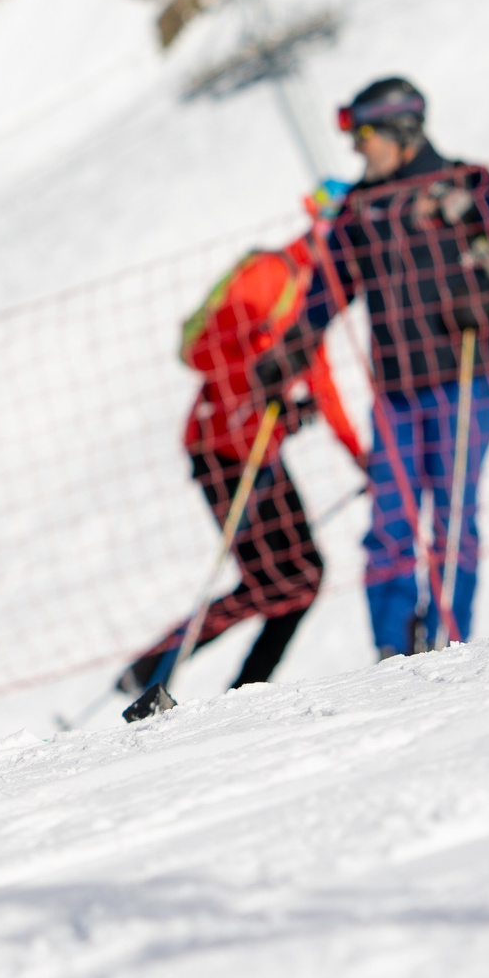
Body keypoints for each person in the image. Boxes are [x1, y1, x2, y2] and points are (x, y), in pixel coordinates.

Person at [254, 79, 489, 656]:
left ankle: (446, 640)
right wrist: (290, 354)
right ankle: (393, 652)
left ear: (402, 130)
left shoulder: (467, 184)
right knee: (390, 525)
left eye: (365, 134)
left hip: (466, 378)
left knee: (451, 514)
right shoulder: (361, 208)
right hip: (395, 389)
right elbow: (328, 291)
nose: (358, 149)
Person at [119, 185, 369, 701]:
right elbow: (206, 352)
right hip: (218, 449)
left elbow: (322, 384)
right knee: (272, 582)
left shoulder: (313, 299)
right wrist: (260, 388)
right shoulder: (272, 276)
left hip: (259, 450)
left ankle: (238, 693)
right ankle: (155, 672)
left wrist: (364, 460)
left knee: (301, 579)